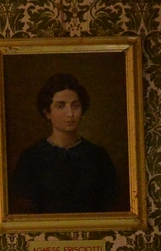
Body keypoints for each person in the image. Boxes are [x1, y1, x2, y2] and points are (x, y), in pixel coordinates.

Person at [8, 73, 120, 215]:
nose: (70, 114)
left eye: (75, 106)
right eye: (61, 106)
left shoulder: (98, 156)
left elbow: (111, 205)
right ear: (47, 112)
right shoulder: (31, 158)